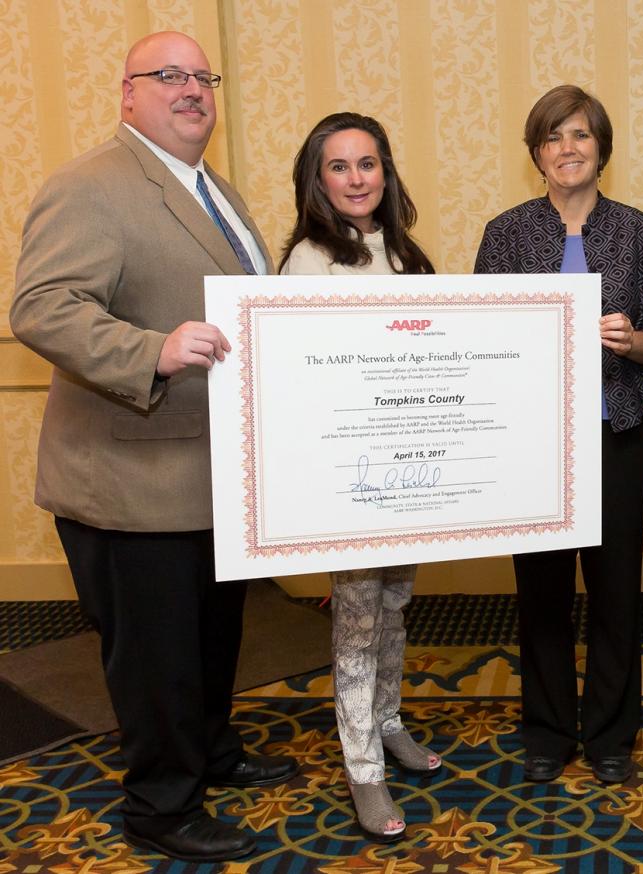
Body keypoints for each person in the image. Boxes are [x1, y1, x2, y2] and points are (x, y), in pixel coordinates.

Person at [9, 32, 297, 863]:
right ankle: (161, 807)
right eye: (167, 75)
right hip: (129, 479)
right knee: (157, 660)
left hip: (206, 474)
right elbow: (42, 307)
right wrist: (151, 352)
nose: (191, 90)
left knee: (209, 637)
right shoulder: (90, 186)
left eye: (201, 76)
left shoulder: (217, 191)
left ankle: (211, 755)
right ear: (126, 94)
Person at [474, 85, 643, 786]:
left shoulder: (642, 232)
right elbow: (485, 337)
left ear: (602, 148)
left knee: (616, 587)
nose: (567, 149)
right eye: (553, 137)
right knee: (543, 591)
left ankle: (613, 733)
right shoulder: (505, 233)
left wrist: (633, 339)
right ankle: (549, 731)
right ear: (536, 152)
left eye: (581, 135)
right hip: (534, 441)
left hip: (615, 426)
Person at [279, 111, 441, 843]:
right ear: (317, 180)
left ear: (386, 172)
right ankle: (362, 768)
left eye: (367, 163)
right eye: (338, 167)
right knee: (356, 616)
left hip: (406, 469)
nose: (355, 178)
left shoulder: (408, 256)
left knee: (396, 600)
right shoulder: (307, 261)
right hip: (347, 475)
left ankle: (387, 720)